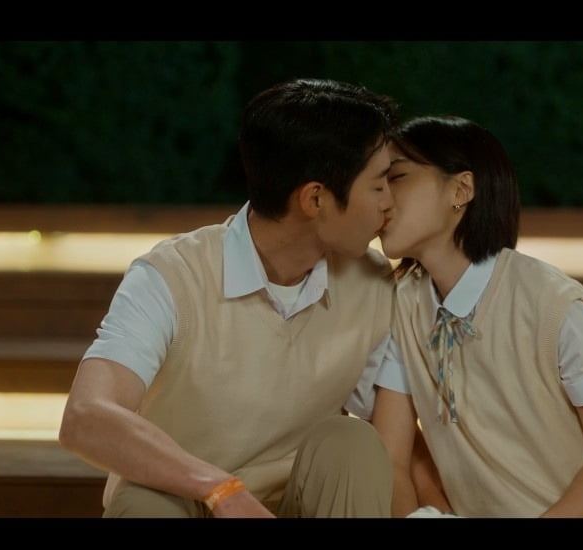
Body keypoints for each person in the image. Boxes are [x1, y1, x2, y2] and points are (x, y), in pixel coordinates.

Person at [58, 78, 404, 518]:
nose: (390, 202)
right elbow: (86, 417)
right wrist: (221, 489)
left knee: (352, 443)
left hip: (295, 507)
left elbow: (398, 441)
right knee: (141, 502)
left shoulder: (372, 283)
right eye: (379, 185)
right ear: (315, 198)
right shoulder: (172, 274)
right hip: (185, 499)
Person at [371, 115, 583, 518]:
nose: (382, 198)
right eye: (379, 182)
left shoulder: (555, 306)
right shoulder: (402, 307)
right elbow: (391, 457)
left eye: (398, 177)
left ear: (461, 189)